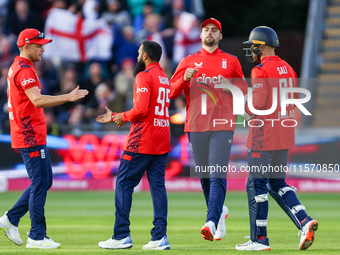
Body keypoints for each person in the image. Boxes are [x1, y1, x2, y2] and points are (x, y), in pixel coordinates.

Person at [0, 28, 88, 249]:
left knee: (45, 180)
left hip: (29, 132)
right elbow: (37, 100)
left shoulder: (19, 67)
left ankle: (10, 219)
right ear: (26, 46)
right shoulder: (24, 70)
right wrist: (67, 97)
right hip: (29, 134)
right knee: (40, 182)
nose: (43, 48)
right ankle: (37, 236)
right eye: (39, 45)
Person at [235, 26, 318, 251]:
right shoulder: (288, 68)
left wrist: (242, 107)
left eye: (253, 45)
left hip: (264, 134)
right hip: (284, 132)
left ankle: (259, 239)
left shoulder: (260, 70)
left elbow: (260, 102)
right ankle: (304, 220)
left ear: (260, 46)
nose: (251, 50)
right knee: (277, 183)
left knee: (256, 184)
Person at [169, 18, 248, 241]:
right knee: (205, 176)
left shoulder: (230, 61)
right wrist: (183, 79)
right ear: (201, 34)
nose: (210, 33)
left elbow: (242, 90)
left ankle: (211, 221)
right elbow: (171, 92)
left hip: (223, 125)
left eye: (214, 30)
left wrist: (231, 88)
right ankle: (219, 212)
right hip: (195, 125)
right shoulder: (188, 61)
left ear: (220, 36)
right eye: (206, 30)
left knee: (216, 174)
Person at [96, 40, 171, 250]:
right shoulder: (164, 78)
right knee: (158, 187)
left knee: (123, 184)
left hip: (143, 139)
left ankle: (121, 235)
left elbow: (140, 109)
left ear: (145, 55)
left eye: (139, 53)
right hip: (162, 138)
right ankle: (160, 237)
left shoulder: (143, 76)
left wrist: (119, 116)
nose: (138, 56)